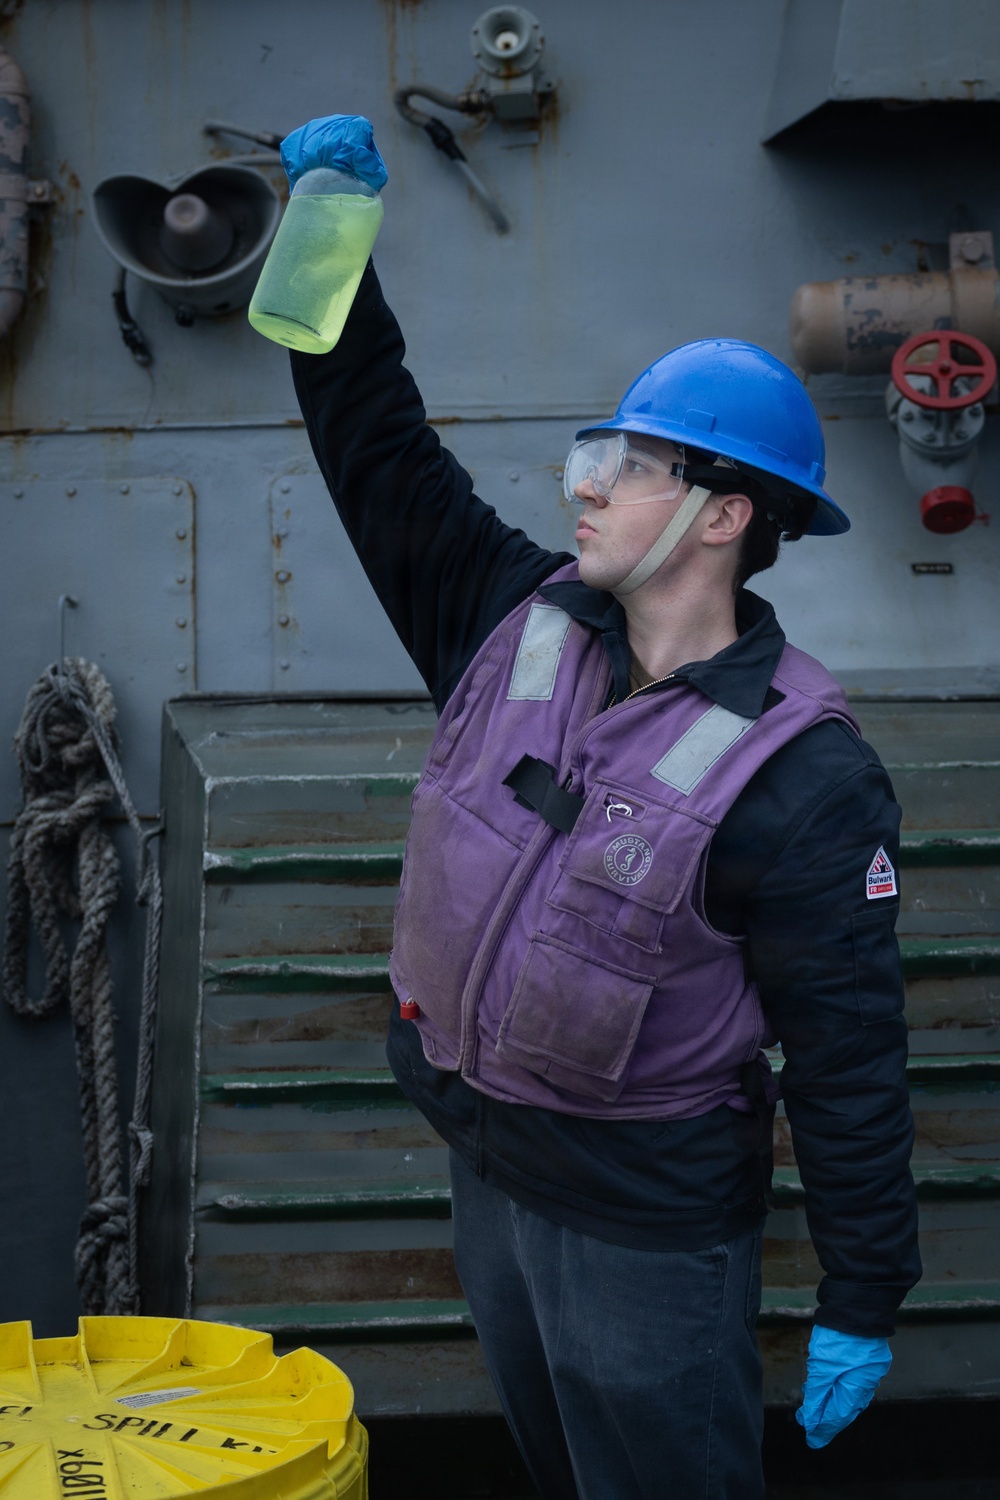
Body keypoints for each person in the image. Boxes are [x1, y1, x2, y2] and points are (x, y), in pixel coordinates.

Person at [281, 116, 920, 1500]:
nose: (588, 485)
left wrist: (865, 1292)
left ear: (720, 516)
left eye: (629, 466)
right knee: (557, 1469)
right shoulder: (508, 617)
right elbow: (373, 444)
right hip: (491, 1167)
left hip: (645, 1226)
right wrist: (330, 232)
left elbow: (852, 1054)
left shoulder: (803, 773)